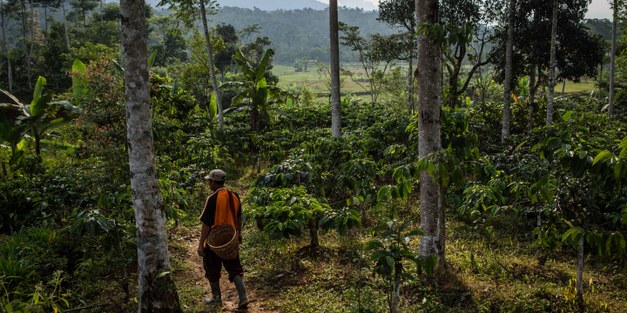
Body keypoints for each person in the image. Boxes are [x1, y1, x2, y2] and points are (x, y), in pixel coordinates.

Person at [197, 169, 249, 308]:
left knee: (212, 269)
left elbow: (207, 224)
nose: (209, 184)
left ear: (214, 182)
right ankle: (243, 297)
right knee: (234, 268)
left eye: (210, 181)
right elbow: (239, 218)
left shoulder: (212, 198)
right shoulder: (234, 195)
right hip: (230, 240)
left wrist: (201, 244)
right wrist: (238, 234)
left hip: (213, 242)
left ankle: (216, 298)